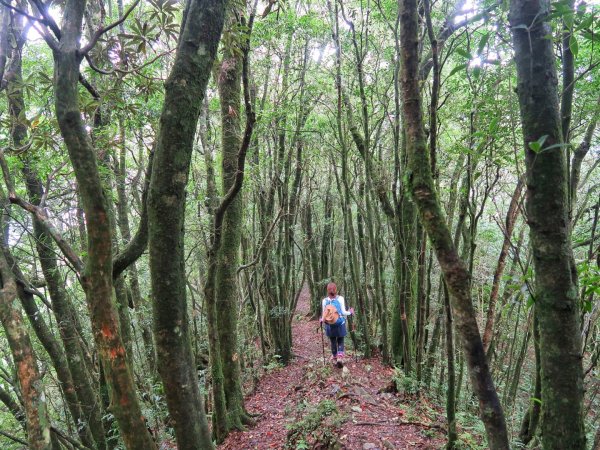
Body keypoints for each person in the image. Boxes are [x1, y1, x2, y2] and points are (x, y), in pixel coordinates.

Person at [320, 282, 354, 366]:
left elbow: (324, 313)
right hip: (340, 323)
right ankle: (340, 357)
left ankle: (334, 356)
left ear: (327, 290)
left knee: (332, 341)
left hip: (329, 324)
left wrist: (321, 320)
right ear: (336, 290)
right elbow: (343, 312)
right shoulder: (340, 298)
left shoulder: (324, 301)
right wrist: (350, 312)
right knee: (340, 340)